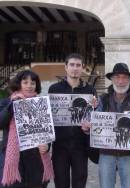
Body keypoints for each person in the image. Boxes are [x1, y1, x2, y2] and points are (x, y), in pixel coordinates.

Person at [82, 62, 130, 188]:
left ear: (129, 80)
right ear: (112, 79)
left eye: (124, 77)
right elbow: (94, 119)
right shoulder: (103, 99)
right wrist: (87, 127)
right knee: (106, 185)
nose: (121, 81)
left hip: (129, 154)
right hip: (106, 153)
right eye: (117, 77)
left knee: (129, 186)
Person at [48, 53, 97, 188]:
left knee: (79, 182)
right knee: (60, 181)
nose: (75, 68)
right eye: (72, 65)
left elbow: (93, 115)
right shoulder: (54, 89)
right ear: (66, 67)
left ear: (82, 68)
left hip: (80, 145)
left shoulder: (90, 89)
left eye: (78, 65)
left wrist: (95, 107)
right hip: (59, 145)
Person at [0, 70, 54, 188]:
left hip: (36, 160)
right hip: (14, 160)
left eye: (33, 83)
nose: (29, 86)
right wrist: (12, 105)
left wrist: (47, 145)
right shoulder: (7, 102)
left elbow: (46, 130)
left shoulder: (41, 104)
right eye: (25, 82)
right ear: (19, 84)